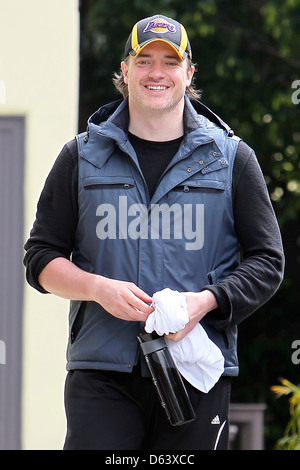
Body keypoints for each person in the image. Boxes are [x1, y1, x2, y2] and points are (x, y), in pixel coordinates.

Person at [23, 14, 284, 450]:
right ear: (125, 71)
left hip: (194, 375)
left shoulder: (232, 159)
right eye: (144, 61)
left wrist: (205, 302)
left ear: (188, 74)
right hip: (101, 374)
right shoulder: (80, 156)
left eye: (170, 61)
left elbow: (268, 262)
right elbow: (40, 258)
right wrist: (98, 288)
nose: (156, 73)